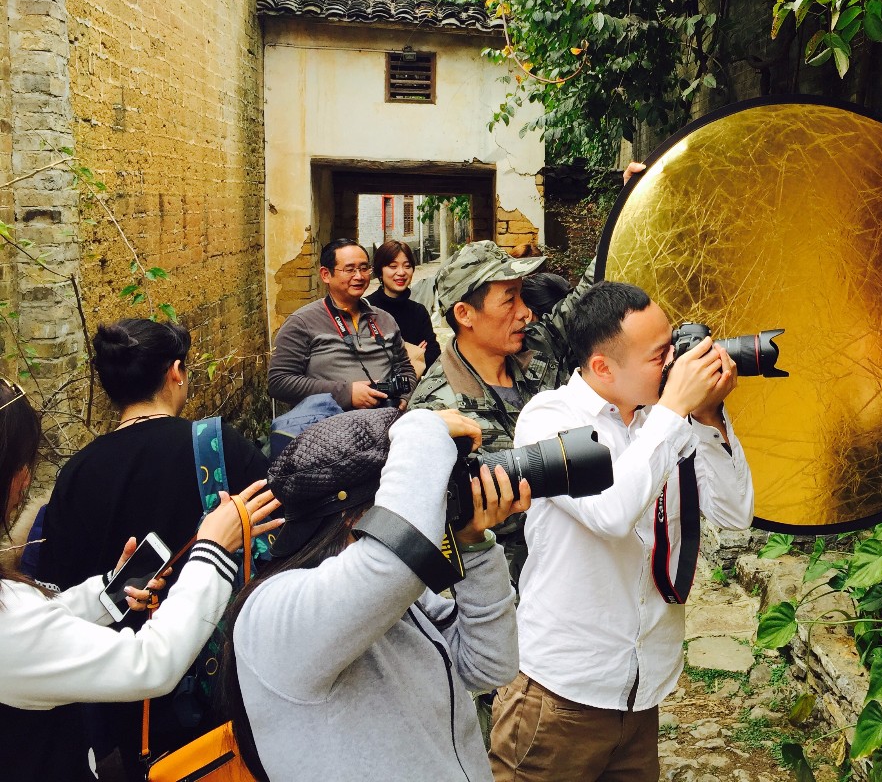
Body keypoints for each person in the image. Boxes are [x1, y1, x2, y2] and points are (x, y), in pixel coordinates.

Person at [488, 281, 755, 782]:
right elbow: (611, 513)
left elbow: (734, 514)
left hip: (642, 693)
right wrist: (675, 411)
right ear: (603, 366)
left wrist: (708, 415)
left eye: (672, 346)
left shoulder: (665, 421)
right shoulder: (549, 419)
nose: (675, 362)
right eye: (660, 356)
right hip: (560, 695)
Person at [219, 405, 530, 782]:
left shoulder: (392, 597)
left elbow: (488, 665)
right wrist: (419, 425)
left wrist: (472, 545)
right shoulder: (270, 613)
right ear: (353, 515)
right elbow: (392, 565)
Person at [0, 377, 281, 782]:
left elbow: (34, 625)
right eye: (23, 466)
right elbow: (150, 663)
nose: (26, 480)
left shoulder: (79, 469)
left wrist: (106, 593)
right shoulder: (222, 442)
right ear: (176, 373)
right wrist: (213, 549)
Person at [407, 240, 588, 584]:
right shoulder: (436, 412)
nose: (526, 312)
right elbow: (439, 532)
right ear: (465, 314)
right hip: (512, 591)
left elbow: (594, 286)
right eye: (510, 300)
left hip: (580, 567)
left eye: (522, 296)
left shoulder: (537, 346)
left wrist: (629, 195)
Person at [267, 238, 416, 410]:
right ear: (325, 274)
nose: (359, 276)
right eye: (350, 270)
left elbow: (406, 369)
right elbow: (279, 382)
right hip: (329, 424)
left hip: (386, 420)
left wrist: (403, 397)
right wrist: (346, 394)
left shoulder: (384, 320)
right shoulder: (302, 322)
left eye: (364, 268)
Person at [367, 239, 442, 376]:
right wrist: (414, 354)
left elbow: (433, 354)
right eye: (393, 266)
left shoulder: (418, 312)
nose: (401, 272)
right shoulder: (366, 309)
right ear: (379, 271)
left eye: (407, 266)